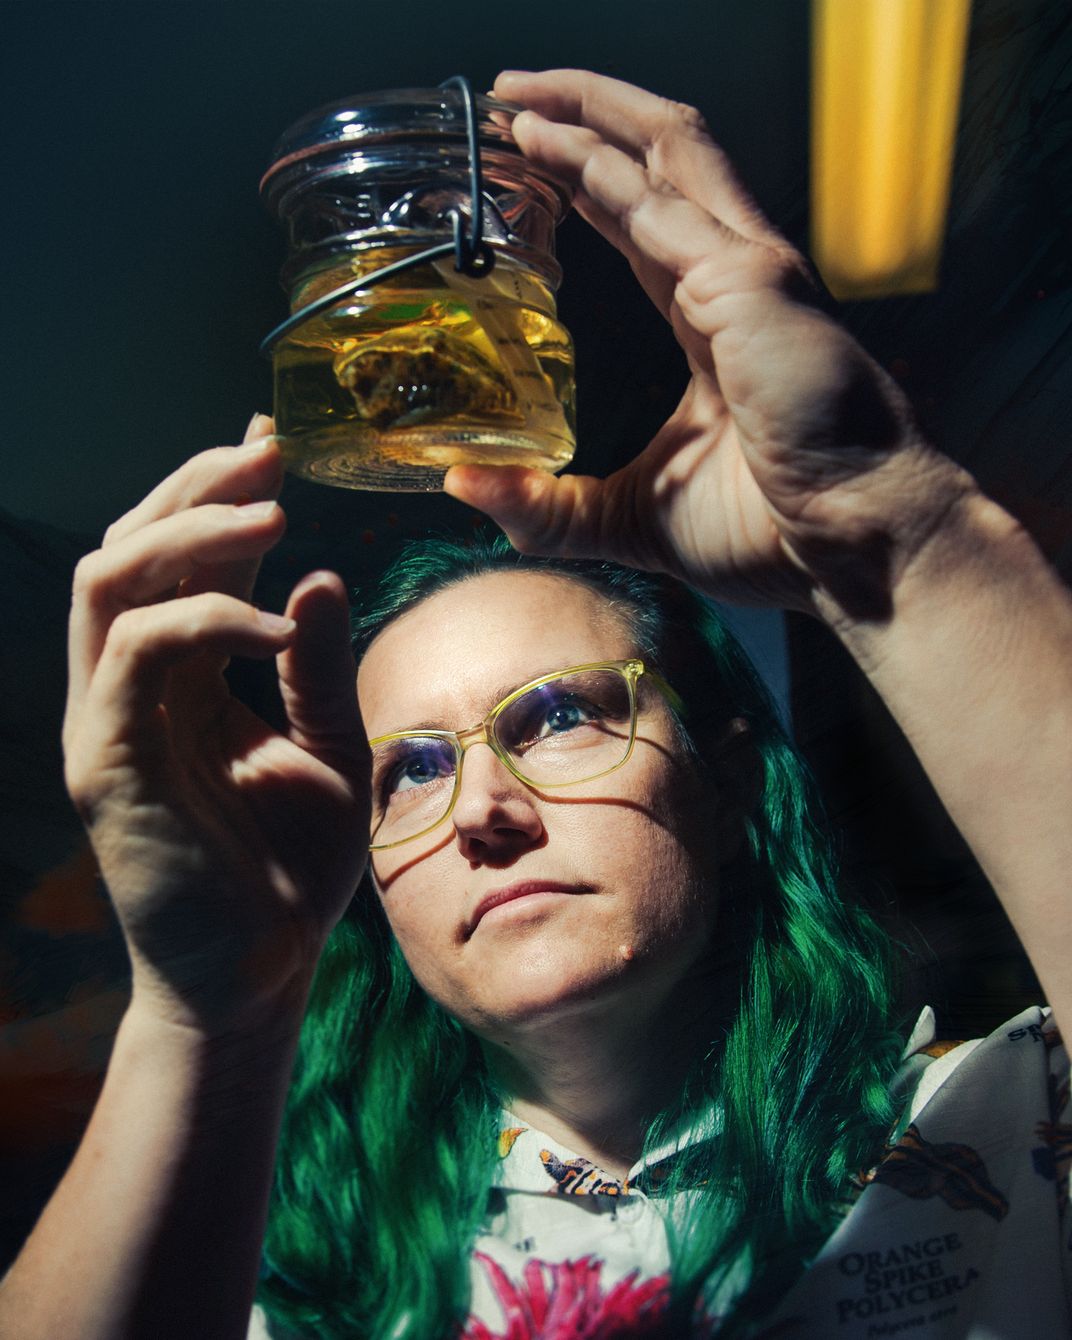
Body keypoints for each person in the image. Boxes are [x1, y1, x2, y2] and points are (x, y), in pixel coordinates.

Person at [0, 67, 1068, 1339]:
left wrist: (896, 535)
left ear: (726, 774)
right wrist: (202, 1009)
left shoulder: (987, 1134)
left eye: (560, 712)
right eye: (406, 769)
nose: (481, 814)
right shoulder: (254, 1241)